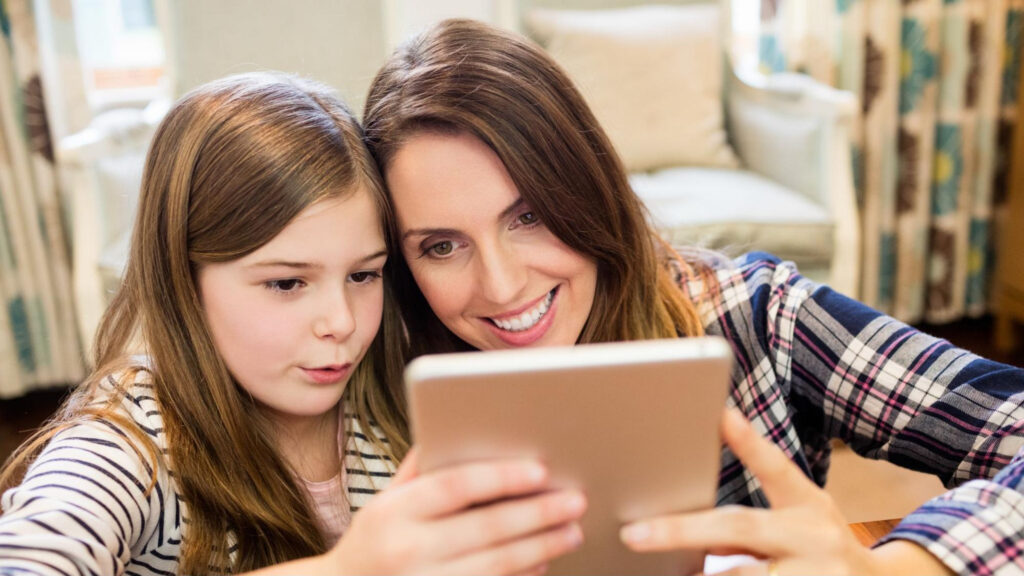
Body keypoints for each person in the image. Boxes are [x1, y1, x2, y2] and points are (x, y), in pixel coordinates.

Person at [362, 19, 1024, 576]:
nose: (503, 286)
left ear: (587, 188)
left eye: (529, 215)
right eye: (441, 246)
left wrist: (896, 568)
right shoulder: (368, 396)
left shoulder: (755, 318)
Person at [0, 72, 588, 576]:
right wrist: (347, 569)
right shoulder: (135, 440)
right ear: (184, 279)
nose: (341, 323)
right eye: (286, 284)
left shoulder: (397, 402)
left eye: (363, 275)